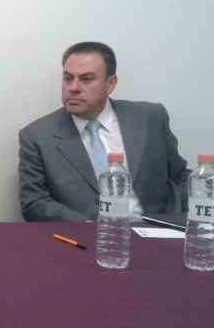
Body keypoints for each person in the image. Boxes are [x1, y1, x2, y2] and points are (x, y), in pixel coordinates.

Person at [19, 41, 188, 222]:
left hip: (154, 228)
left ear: (110, 84)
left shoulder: (151, 118)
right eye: (68, 78)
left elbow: (179, 175)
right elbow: (34, 202)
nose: (73, 88)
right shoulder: (37, 136)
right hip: (87, 233)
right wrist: (85, 225)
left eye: (86, 79)